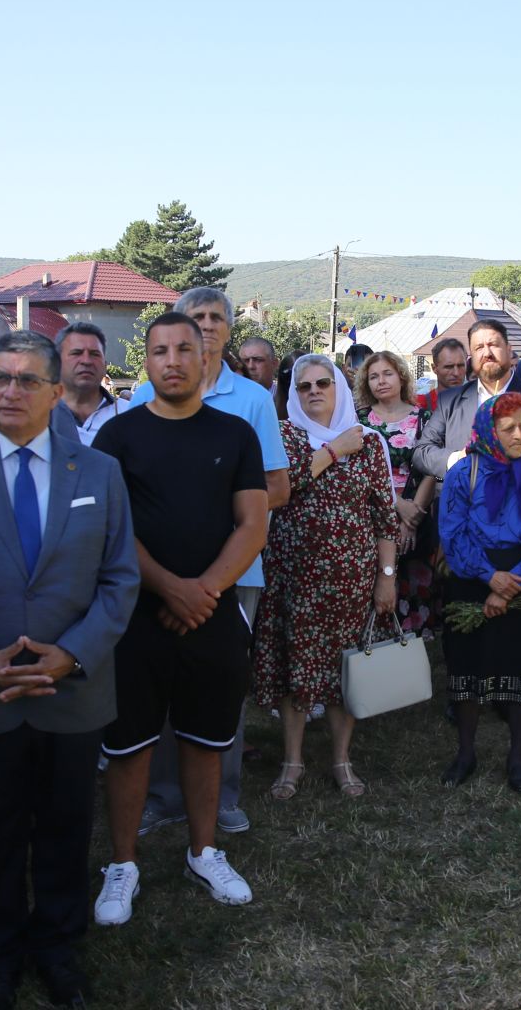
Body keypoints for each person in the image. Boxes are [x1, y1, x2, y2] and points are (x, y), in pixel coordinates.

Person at [0, 328, 136, 1009]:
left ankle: (58, 946)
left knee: (67, 829)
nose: (7, 391)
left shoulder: (98, 472)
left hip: (72, 692)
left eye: (23, 380)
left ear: (54, 391)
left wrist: (72, 654)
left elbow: (120, 579)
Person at [92, 311, 267, 924]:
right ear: (147, 360)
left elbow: (254, 521)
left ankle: (204, 850)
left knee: (206, 738)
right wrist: (171, 589)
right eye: (160, 350)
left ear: (204, 356)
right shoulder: (117, 437)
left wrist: (206, 591)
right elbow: (113, 528)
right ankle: (122, 864)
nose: (172, 360)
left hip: (213, 613)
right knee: (130, 743)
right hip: (136, 616)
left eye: (184, 349)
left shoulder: (234, 434)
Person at [127, 287, 289, 839]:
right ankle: (166, 795)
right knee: (159, 684)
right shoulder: (140, 399)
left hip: (232, 571)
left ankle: (222, 797)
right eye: (197, 316)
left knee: (221, 684)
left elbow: (277, 489)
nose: (208, 325)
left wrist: (210, 516)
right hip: (159, 575)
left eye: (216, 317)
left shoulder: (252, 401)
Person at [256, 356, 397, 801]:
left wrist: (386, 577)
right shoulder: (283, 436)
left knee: (344, 673)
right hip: (293, 578)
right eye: (303, 386)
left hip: (352, 579)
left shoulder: (369, 442)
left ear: (339, 389)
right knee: (294, 669)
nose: (314, 391)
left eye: (323, 383)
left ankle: (341, 759)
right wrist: (334, 450)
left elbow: (383, 516)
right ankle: (292, 761)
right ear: (292, 394)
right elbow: (283, 488)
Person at [437, 393, 521, 788]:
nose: (518, 435)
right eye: (508, 428)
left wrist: (509, 586)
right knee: (468, 668)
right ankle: (466, 753)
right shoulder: (462, 474)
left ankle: (518, 757)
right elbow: (452, 534)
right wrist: (489, 577)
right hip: (473, 579)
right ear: (490, 431)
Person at [356, 351, 439, 638]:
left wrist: (410, 517)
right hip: (372, 514)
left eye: (387, 373)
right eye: (374, 376)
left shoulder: (423, 417)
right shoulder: (359, 421)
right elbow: (359, 473)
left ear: (401, 376)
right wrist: (396, 505)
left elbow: (432, 469)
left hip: (416, 513)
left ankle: (411, 653)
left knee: (413, 585)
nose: (381, 381)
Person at [410, 320, 521, 484]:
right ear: (472, 355)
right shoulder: (450, 401)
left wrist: (498, 456)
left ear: (508, 349)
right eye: (479, 348)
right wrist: (459, 459)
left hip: (520, 502)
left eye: (493, 345)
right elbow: (422, 452)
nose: (487, 353)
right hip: (461, 504)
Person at [55, 321, 122, 444]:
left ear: (105, 365)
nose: (86, 361)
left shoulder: (128, 414)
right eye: (76, 353)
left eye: (94, 354)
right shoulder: (37, 415)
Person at [418, 337, 469, 412]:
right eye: (449, 367)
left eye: (461, 366)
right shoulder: (419, 405)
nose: (456, 373)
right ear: (434, 368)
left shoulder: (479, 404)